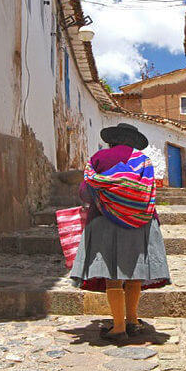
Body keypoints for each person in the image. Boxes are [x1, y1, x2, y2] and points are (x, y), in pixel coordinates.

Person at [69, 123, 171, 341]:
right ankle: (132, 321)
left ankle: (118, 327)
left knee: (112, 277)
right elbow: (149, 192)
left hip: (105, 223)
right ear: (134, 142)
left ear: (112, 140)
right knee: (134, 275)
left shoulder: (99, 159)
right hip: (141, 223)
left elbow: (85, 192)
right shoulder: (144, 161)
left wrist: (104, 199)